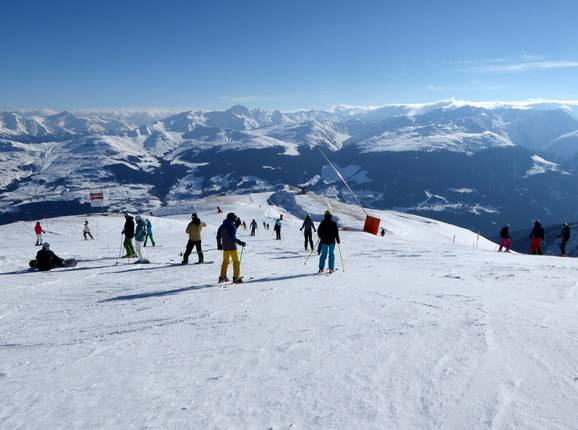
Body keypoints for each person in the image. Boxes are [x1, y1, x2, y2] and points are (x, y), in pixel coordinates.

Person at [217, 212, 246, 283]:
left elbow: (218, 236)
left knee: (225, 262)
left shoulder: (222, 225)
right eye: (234, 218)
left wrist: (219, 244)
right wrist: (240, 242)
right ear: (232, 218)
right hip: (232, 247)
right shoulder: (232, 225)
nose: (235, 220)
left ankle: (222, 277)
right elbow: (232, 236)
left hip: (225, 247)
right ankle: (236, 278)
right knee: (236, 262)